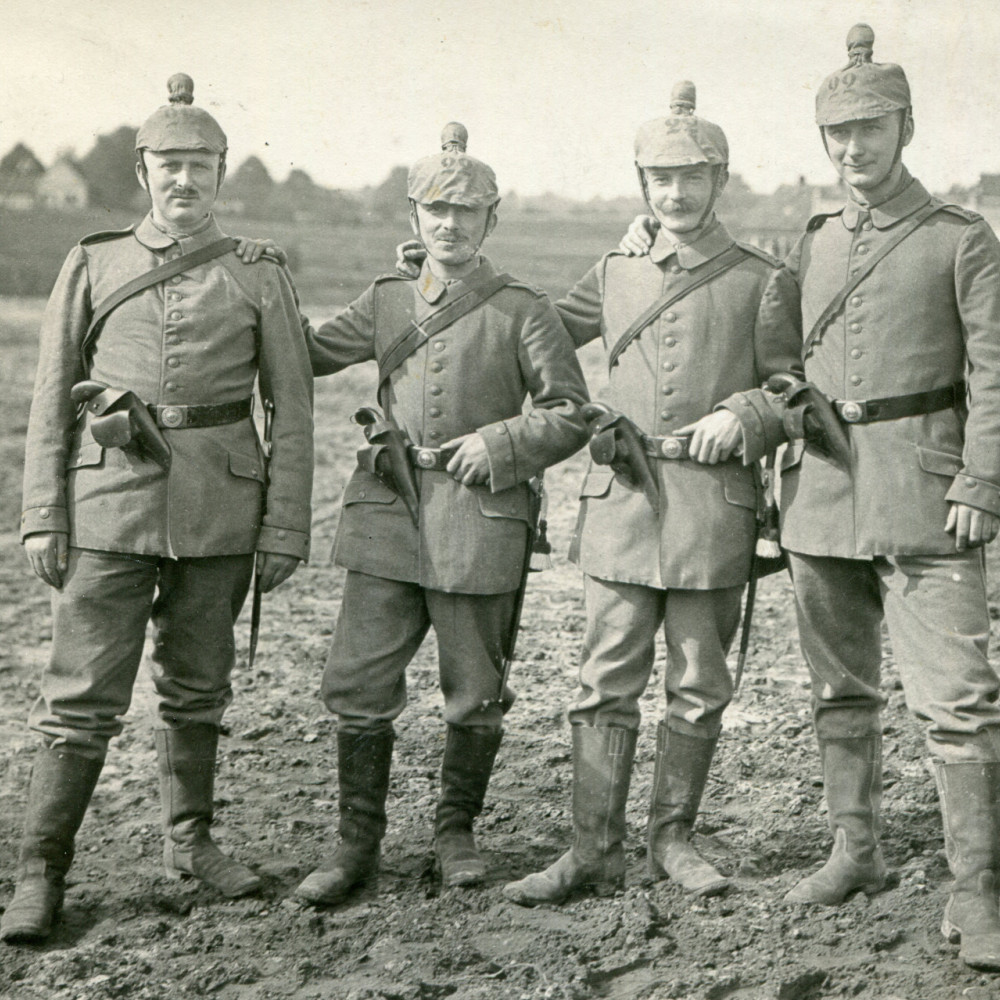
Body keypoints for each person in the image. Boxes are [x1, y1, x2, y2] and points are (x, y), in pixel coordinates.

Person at [622, 23, 1000, 972]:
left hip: (926, 495)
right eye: (837, 134)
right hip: (823, 495)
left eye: (871, 129)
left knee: (957, 699)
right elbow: (782, 367)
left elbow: (995, 374)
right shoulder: (812, 241)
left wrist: (984, 478)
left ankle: (978, 888)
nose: (853, 149)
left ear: (905, 127)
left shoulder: (961, 239)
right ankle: (857, 850)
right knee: (842, 689)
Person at [1, 74, 314, 944]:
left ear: (222, 172)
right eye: (169, 164)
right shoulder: (93, 263)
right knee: (79, 697)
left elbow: (293, 406)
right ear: (142, 171)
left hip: (221, 513)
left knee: (198, 690)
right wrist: (42, 513)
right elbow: (50, 397)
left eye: (201, 165)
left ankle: (193, 845)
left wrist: (284, 525)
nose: (185, 181)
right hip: (109, 509)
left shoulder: (258, 274)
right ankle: (40, 871)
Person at [498, 83, 788, 906]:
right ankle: (591, 849)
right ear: (641, 185)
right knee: (604, 678)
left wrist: (749, 413)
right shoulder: (617, 269)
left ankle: (671, 841)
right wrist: (451, 280)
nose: (676, 193)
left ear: (721, 179)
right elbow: (534, 331)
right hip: (622, 497)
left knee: (699, 680)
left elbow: (792, 384)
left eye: (692, 177)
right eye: (659, 179)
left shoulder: (760, 279)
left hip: (712, 506)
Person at [290, 124, 589, 905]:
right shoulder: (386, 301)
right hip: (387, 511)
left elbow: (569, 411)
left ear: (492, 218)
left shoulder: (522, 308)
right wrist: (258, 286)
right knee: (356, 683)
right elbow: (307, 352)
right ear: (414, 217)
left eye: (466, 211)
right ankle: (356, 845)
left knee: (473, 689)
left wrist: (501, 442)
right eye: (435, 209)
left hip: (481, 517)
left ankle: (456, 831)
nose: (449, 225)